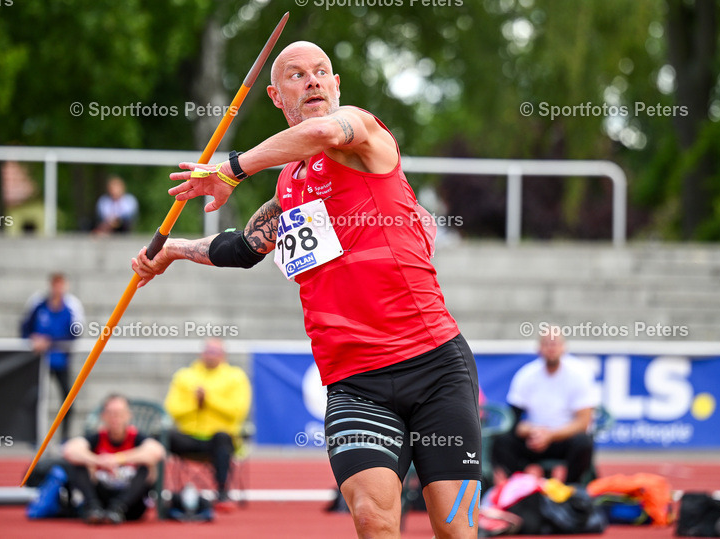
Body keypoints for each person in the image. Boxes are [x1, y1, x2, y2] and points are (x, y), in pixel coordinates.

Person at [132, 40, 482, 539]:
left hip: (434, 366)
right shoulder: (290, 188)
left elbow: (320, 133)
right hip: (354, 383)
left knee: (455, 531)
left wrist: (233, 168)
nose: (313, 80)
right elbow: (246, 247)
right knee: (372, 518)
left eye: (321, 72)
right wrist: (173, 251)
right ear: (277, 96)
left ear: (337, 85)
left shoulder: (362, 131)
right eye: (297, 75)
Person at [490, 329, 599, 485]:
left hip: (564, 438)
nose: (551, 348)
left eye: (554, 344)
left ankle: (571, 490)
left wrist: (551, 435)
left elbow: (583, 423)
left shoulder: (579, 374)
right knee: (502, 442)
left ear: (563, 347)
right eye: (546, 344)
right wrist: (532, 431)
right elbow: (513, 419)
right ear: (539, 348)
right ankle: (516, 488)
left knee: (584, 443)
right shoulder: (527, 374)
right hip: (533, 439)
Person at [164, 339, 252, 507]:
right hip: (188, 437)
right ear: (201, 353)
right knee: (161, 437)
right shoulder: (184, 376)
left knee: (222, 438)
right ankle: (153, 490)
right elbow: (172, 408)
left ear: (223, 355)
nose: (211, 356)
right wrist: (196, 404)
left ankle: (222, 491)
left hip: (218, 440)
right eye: (208, 351)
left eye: (215, 352)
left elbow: (238, 411)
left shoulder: (235, 377)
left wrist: (209, 400)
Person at [62, 393, 166, 524]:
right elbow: (69, 450)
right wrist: (98, 460)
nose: (115, 418)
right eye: (111, 413)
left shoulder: (136, 437)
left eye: (120, 414)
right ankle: (93, 508)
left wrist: (118, 459)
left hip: (131, 504)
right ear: (103, 416)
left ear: (128, 415)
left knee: (146, 466)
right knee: (78, 463)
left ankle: (118, 508)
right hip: (102, 498)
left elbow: (157, 451)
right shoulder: (99, 437)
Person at [20, 272, 84, 442]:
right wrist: (33, 339)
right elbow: (25, 328)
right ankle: (33, 437)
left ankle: (64, 437)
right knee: (35, 398)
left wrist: (50, 341)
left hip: (61, 360)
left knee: (67, 399)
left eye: (62, 284)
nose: (59, 288)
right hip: (39, 360)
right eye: (56, 284)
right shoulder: (38, 304)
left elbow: (76, 333)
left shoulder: (72, 306)